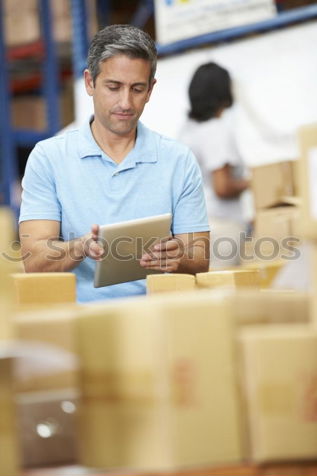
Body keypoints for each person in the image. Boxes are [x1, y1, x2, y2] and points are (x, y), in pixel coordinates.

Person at [19, 24, 210, 302]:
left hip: (157, 313)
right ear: (89, 83)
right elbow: (34, 262)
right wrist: (81, 247)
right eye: (113, 87)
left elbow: (200, 261)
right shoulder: (48, 158)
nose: (125, 102)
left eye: (137, 89)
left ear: (150, 90)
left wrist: (178, 258)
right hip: (78, 318)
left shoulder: (178, 160)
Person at [178, 62, 250, 268]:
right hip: (221, 226)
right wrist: (254, 183)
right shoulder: (217, 131)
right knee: (224, 295)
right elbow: (222, 187)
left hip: (191, 229)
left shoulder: (186, 132)